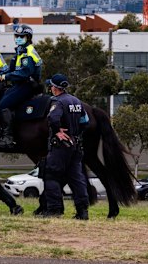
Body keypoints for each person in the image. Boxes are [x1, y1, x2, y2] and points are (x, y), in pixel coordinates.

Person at [40, 73, 90, 219]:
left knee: (51, 175)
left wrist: (57, 131)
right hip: (75, 145)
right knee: (76, 177)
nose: (50, 89)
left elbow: (53, 117)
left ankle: (55, 211)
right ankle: (82, 212)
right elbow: (85, 121)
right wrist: (75, 134)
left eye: (51, 86)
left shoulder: (57, 101)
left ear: (55, 88)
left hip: (60, 147)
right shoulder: (76, 101)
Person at [0, 24, 42, 149]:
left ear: (28, 37)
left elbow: (24, 73)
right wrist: (1, 74)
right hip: (19, 84)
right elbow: (11, 69)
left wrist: (5, 77)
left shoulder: (27, 53)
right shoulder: (20, 51)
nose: (18, 38)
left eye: (22, 36)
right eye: (17, 36)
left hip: (28, 85)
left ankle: (8, 138)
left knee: (4, 104)